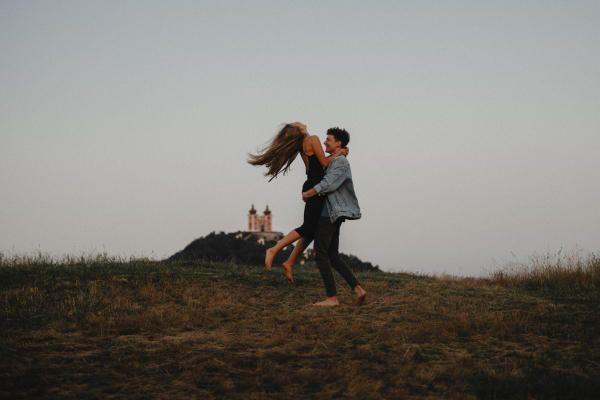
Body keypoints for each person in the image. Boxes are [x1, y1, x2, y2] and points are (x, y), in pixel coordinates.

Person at [247, 123, 346, 283]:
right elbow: (325, 164)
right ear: (300, 129)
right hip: (315, 188)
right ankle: (273, 250)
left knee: (312, 229)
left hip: (312, 185)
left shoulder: (303, 144)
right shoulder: (312, 139)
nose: (299, 122)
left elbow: (319, 164)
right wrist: (340, 153)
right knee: (308, 228)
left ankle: (290, 262)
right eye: (296, 124)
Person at [302, 127, 367, 307]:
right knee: (332, 256)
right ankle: (359, 290)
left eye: (328, 140)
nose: (324, 142)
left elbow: (327, 183)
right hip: (332, 213)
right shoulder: (337, 160)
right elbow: (325, 164)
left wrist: (309, 193)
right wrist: (306, 134)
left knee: (319, 253)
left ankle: (332, 298)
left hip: (328, 214)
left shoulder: (340, 162)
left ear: (338, 143)